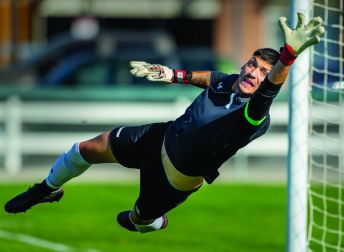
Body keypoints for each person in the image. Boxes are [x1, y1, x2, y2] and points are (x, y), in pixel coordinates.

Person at [4, 13, 324, 234]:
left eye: (261, 71)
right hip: (160, 136)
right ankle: (47, 189)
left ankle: (150, 221)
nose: (253, 72)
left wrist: (287, 56)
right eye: (252, 64)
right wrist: (174, 75)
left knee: (140, 219)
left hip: (177, 176)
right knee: (88, 148)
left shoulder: (254, 117)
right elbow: (211, 77)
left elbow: (266, 95)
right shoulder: (229, 81)